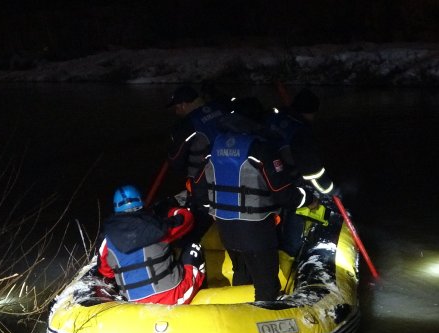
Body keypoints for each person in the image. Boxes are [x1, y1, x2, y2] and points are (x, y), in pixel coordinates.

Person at [191, 111, 317, 302]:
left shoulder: (213, 148)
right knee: (266, 283)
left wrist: (213, 209)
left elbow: (198, 188)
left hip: (225, 227)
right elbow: (283, 193)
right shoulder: (260, 150)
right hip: (256, 229)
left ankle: (240, 312)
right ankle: (263, 319)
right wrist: (308, 199)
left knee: (240, 271)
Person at [92, 184, 205, 305]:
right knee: (193, 248)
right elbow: (187, 219)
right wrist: (169, 210)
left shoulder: (107, 240)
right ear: (141, 202)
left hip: (133, 305)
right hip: (173, 297)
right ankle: (203, 292)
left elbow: (106, 272)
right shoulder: (159, 226)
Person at [266, 87, 337, 256]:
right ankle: (291, 252)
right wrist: (330, 191)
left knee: (272, 216)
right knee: (295, 209)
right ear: (311, 112)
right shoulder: (301, 132)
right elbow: (313, 172)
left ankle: (274, 246)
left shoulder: (276, 118)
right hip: (286, 180)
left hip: (264, 176)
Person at [165, 84, 228, 244]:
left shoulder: (187, 125)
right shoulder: (221, 108)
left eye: (176, 108)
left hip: (204, 182)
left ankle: (194, 254)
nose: (177, 112)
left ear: (183, 105)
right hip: (235, 172)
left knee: (200, 221)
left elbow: (176, 161)